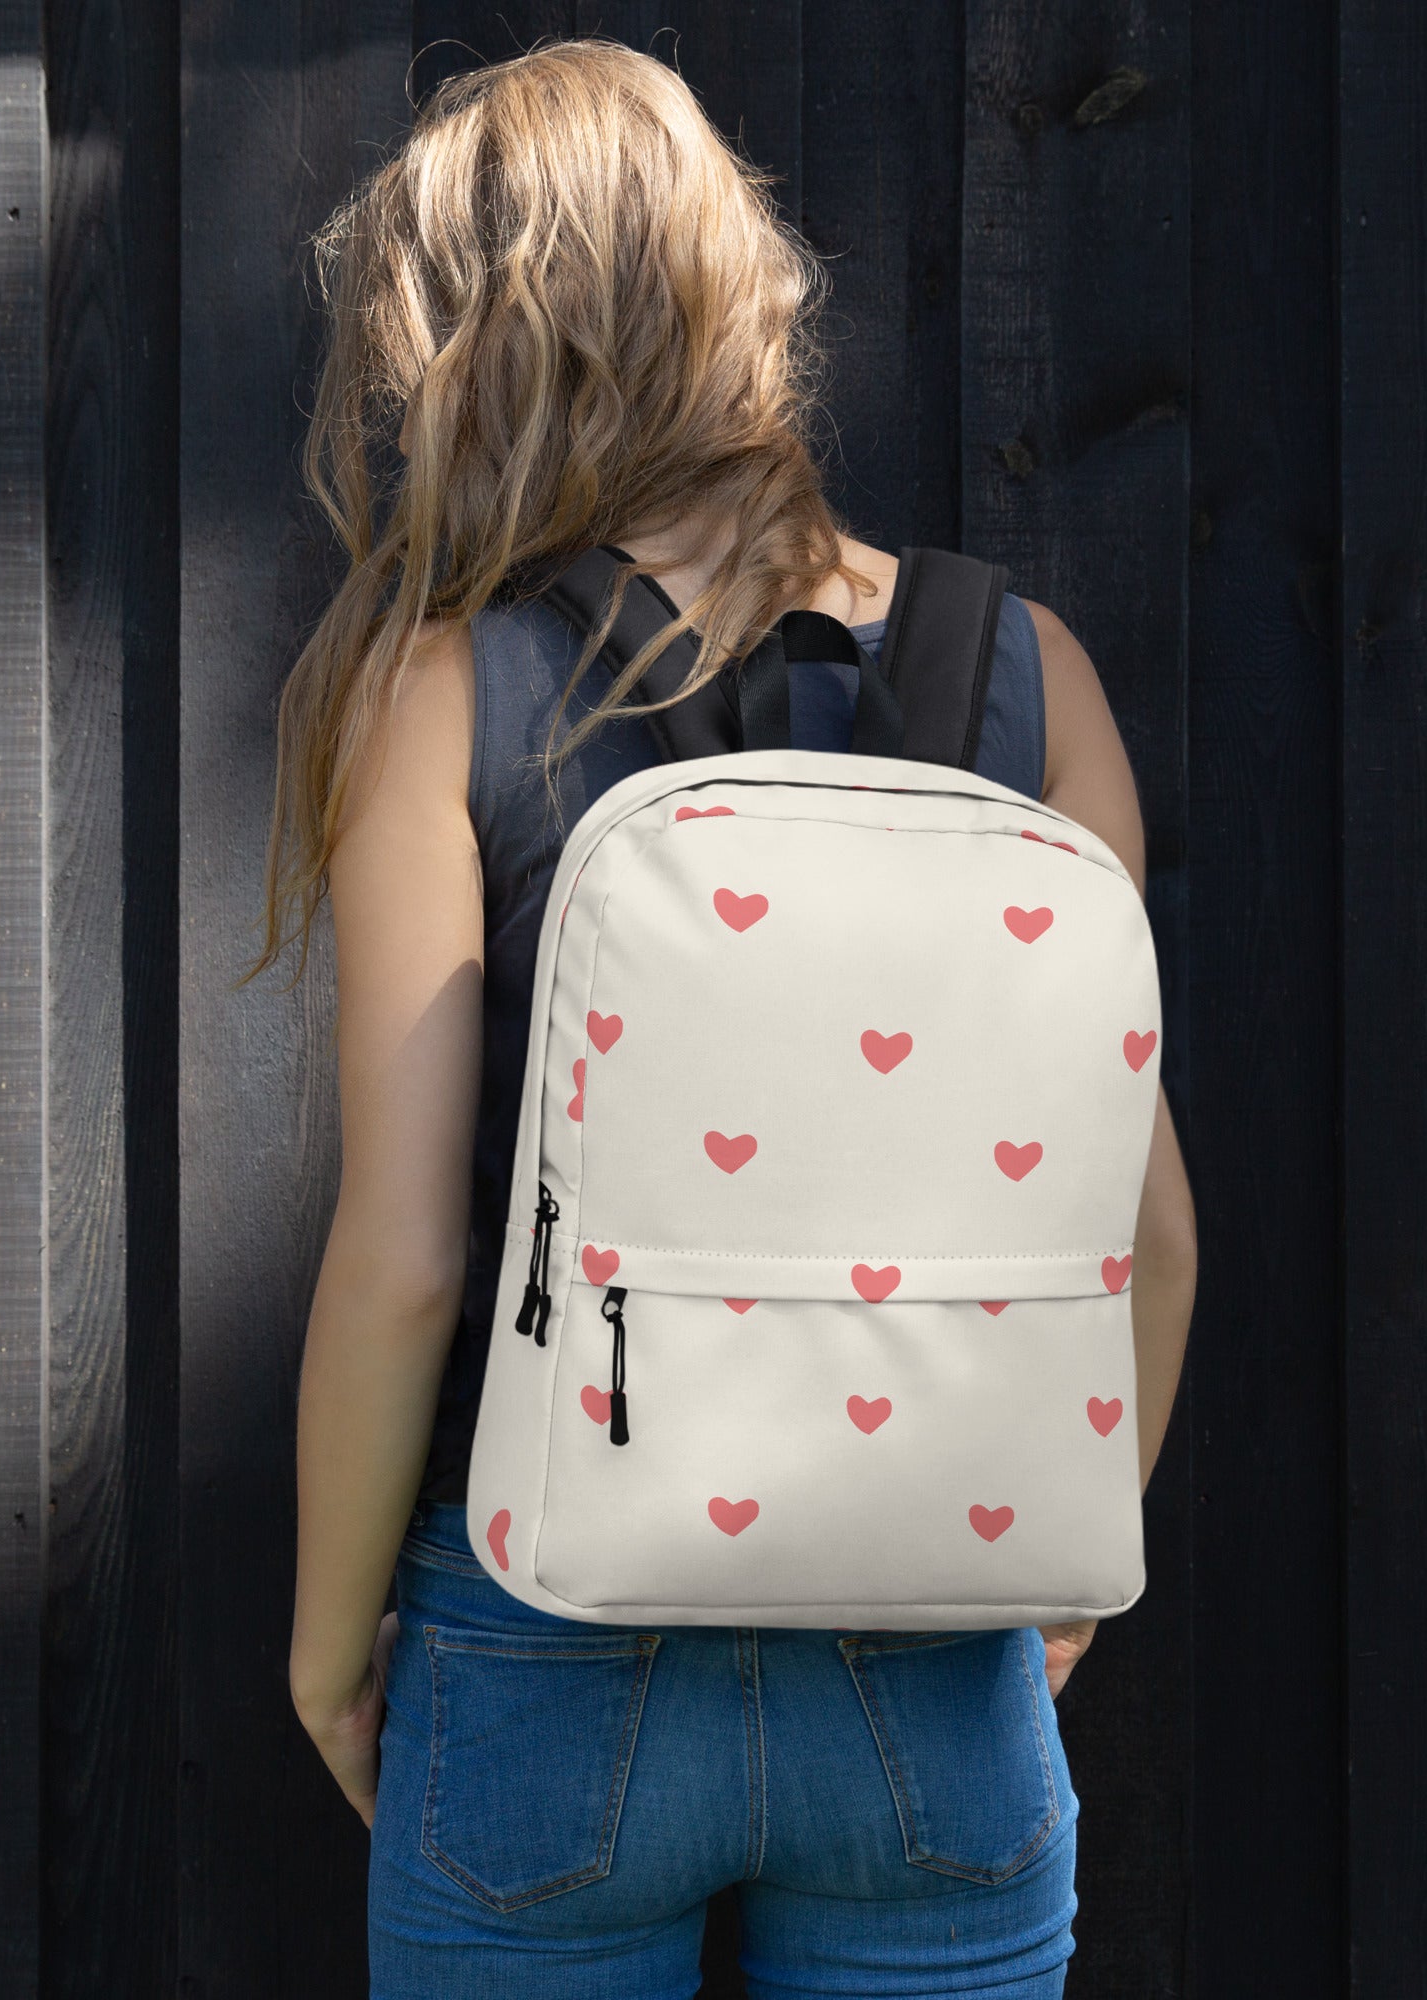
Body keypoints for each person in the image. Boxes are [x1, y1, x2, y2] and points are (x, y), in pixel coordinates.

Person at [263, 38, 1198, 2000]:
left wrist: (330, 1648)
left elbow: (410, 1255)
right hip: (929, 1642)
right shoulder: (1029, 672)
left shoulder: (444, 690)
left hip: (537, 1625)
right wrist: (1051, 1586)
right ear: (742, 296)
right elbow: (1153, 1233)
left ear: (463, 353)